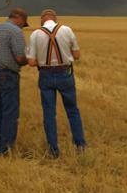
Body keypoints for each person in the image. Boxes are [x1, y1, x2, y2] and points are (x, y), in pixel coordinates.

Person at [26, 8, 85, 157]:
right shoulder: (67, 30)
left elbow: (32, 62)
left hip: (45, 76)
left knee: (49, 113)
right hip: (65, 74)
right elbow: (77, 55)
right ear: (55, 19)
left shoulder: (35, 34)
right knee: (72, 110)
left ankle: (53, 150)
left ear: (42, 19)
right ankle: (80, 145)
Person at [0, 8, 30, 156]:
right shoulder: (15, 32)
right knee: (10, 112)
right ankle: (6, 149)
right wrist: (29, 60)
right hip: (8, 74)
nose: (22, 27)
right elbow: (19, 57)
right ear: (20, 19)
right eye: (23, 24)